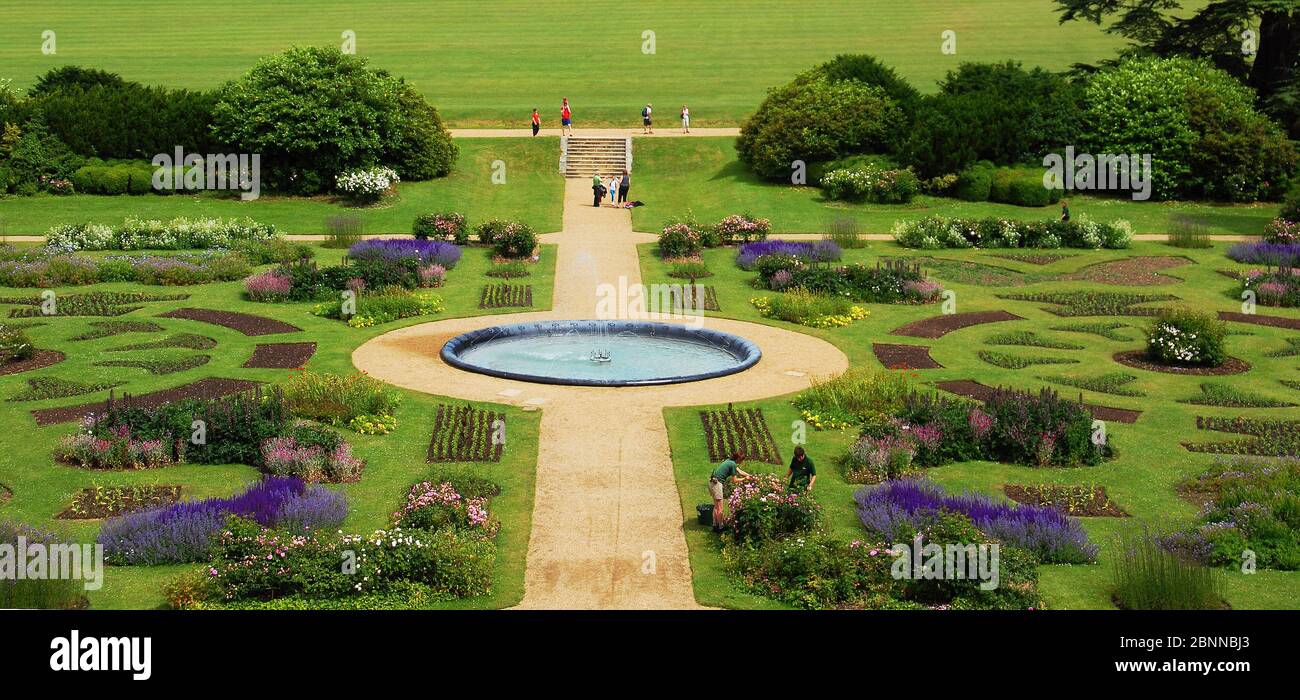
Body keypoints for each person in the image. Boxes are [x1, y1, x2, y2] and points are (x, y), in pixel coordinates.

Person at [709, 451, 750, 532]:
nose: (742, 462)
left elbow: (740, 472)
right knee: (720, 508)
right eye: (742, 460)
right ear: (738, 459)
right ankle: (720, 527)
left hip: (711, 483)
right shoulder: (733, 464)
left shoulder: (729, 461)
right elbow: (734, 480)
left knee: (716, 507)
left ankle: (715, 525)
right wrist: (745, 479)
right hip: (717, 484)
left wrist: (749, 475)